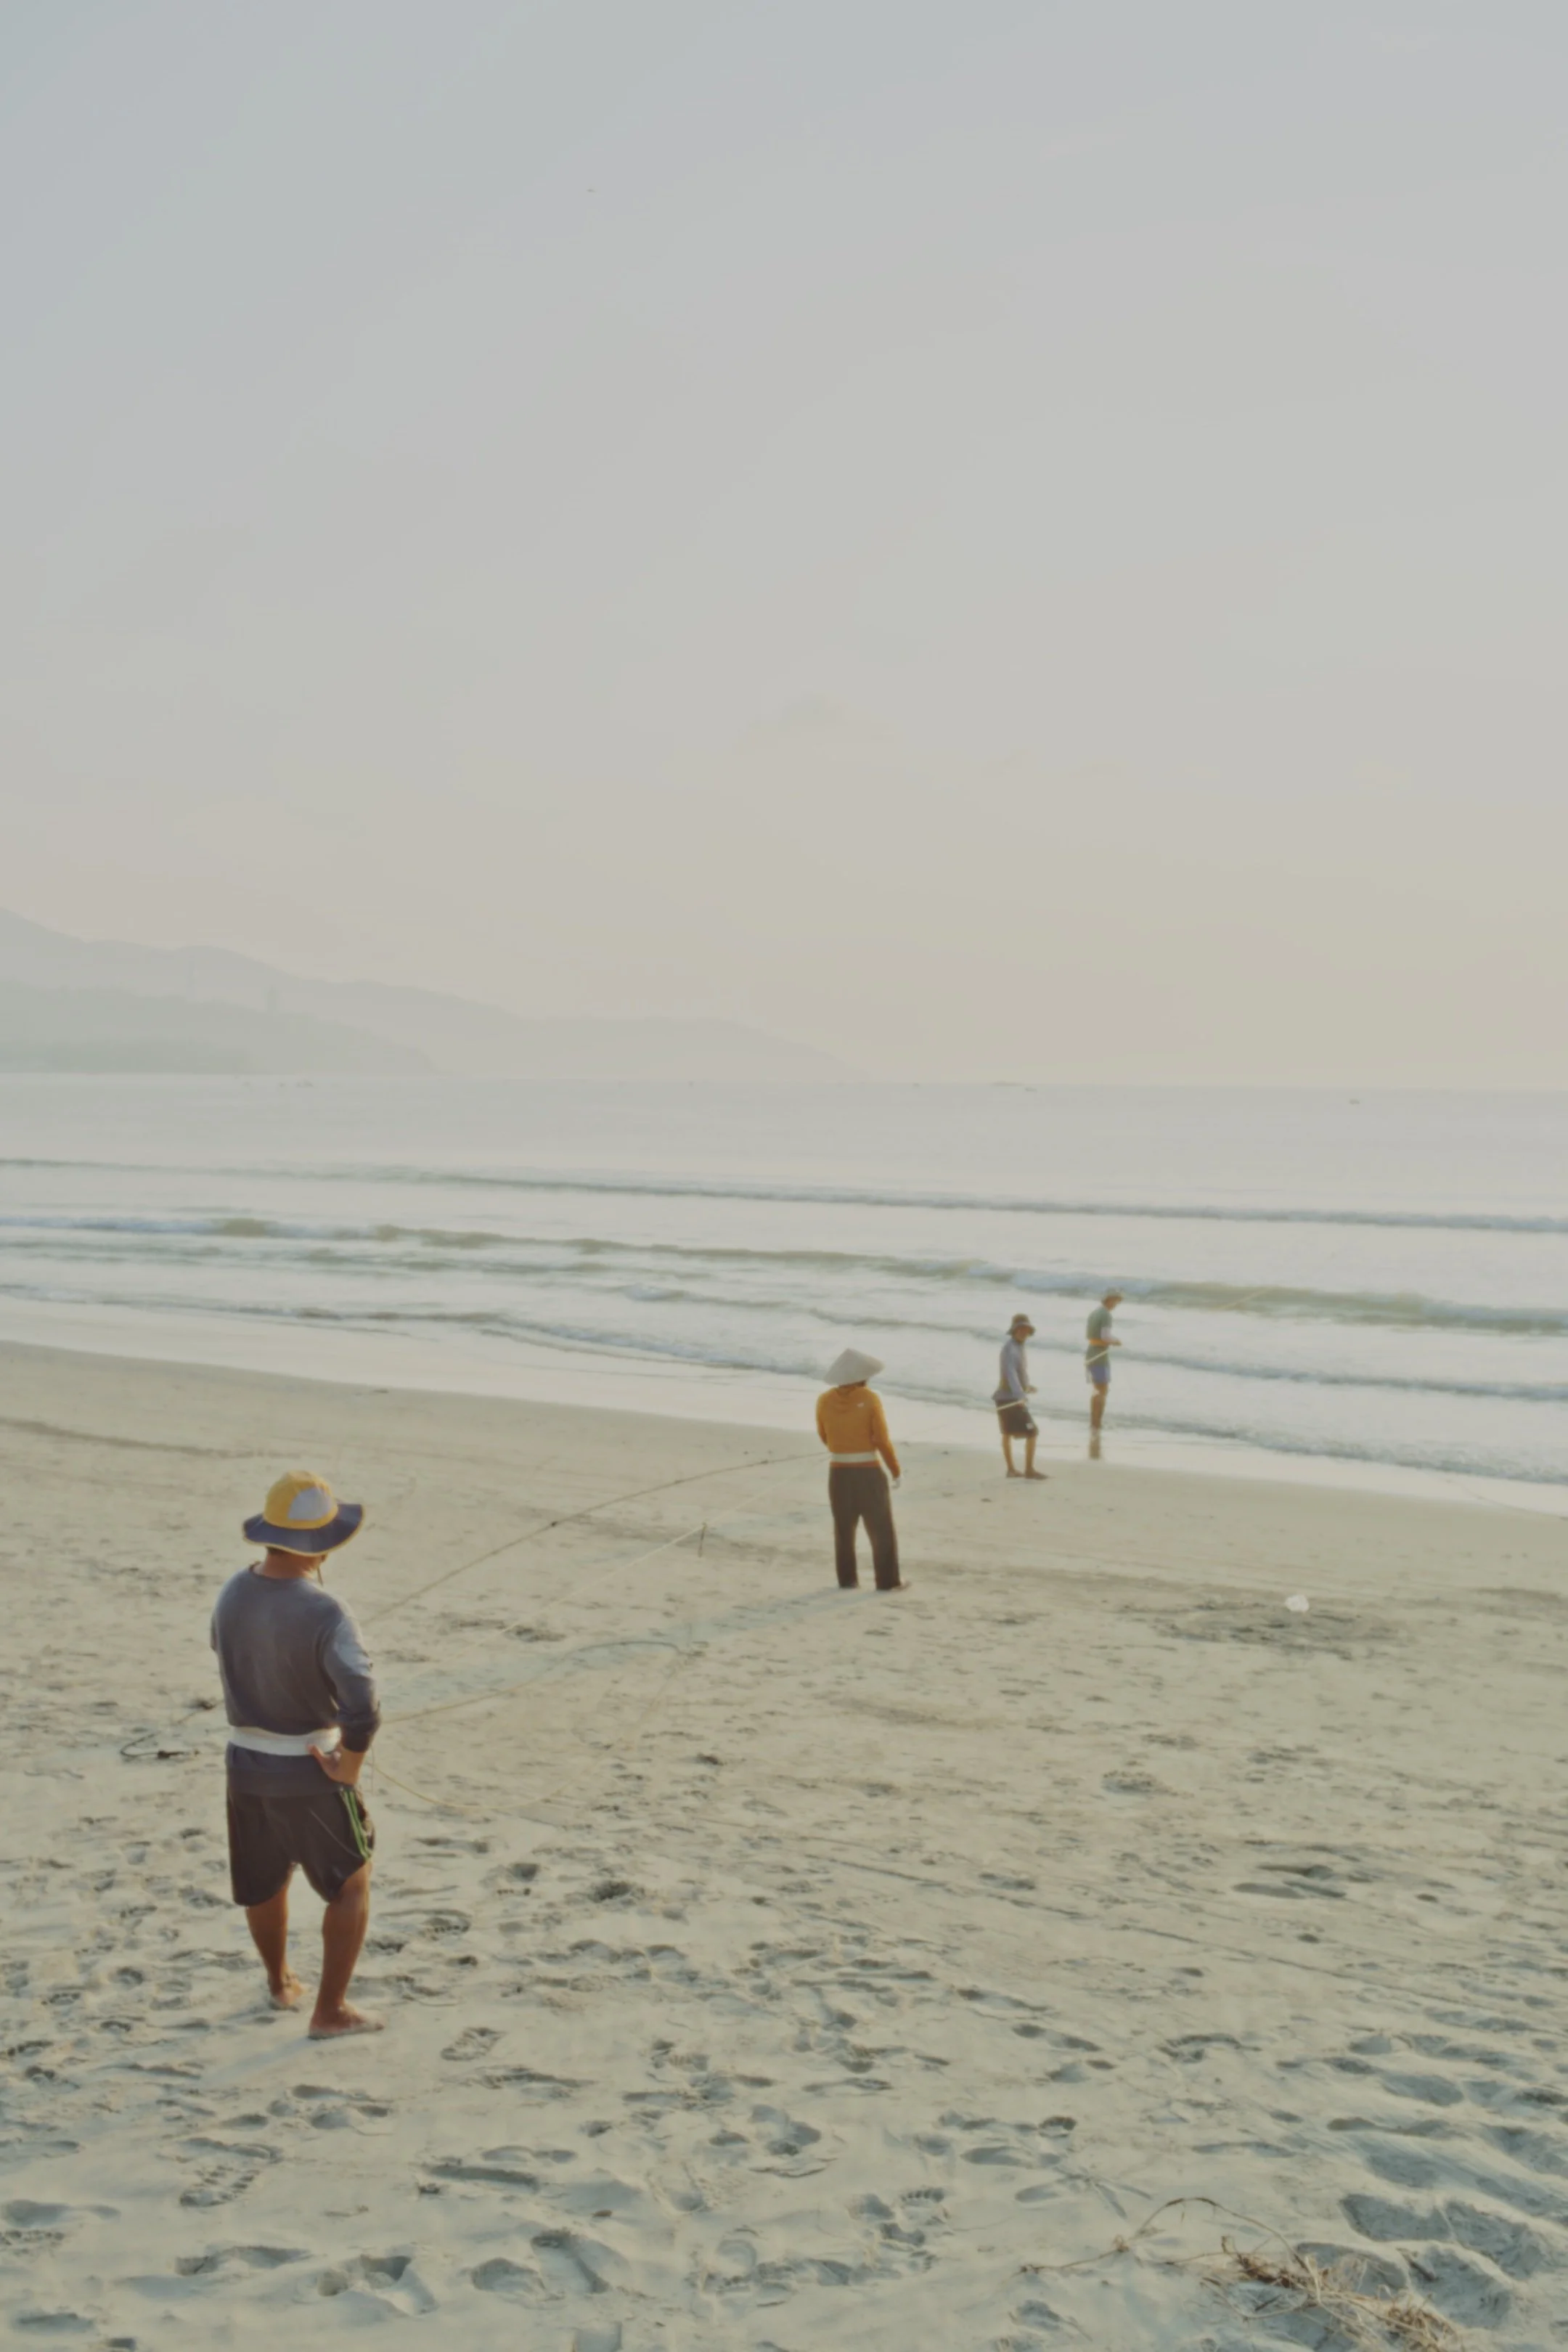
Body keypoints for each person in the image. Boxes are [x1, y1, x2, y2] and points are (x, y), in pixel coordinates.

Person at [211, 1471, 383, 2040]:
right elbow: (363, 1706)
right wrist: (349, 1766)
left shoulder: (232, 1591)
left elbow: (226, 1649)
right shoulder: (328, 1611)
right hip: (308, 1770)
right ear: (322, 1543)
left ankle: (280, 1982)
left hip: (244, 1765)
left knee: (264, 1881)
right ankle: (330, 2011)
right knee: (351, 1883)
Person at [815, 1349, 907, 1592]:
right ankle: (887, 1581)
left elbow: (824, 1436)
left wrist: (844, 1447)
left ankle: (847, 1580)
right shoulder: (870, 1398)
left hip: (838, 1472)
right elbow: (881, 1440)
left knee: (843, 1529)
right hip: (868, 1471)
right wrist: (895, 1470)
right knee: (881, 1528)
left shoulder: (824, 1400)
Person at [994, 1312, 1045, 1479]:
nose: (1023, 1332)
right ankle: (1027, 1470)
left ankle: (1012, 1470)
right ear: (1014, 1330)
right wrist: (1020, 1396)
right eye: (1020, 1329)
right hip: (1008, 1399)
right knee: (1032, 1432)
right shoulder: (1009, 1349)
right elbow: (1010, 1374)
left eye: (1026, 1330)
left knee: (1008, 1433)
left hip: (1008, 1397)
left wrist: (1027, 1387)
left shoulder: (1020, 1347)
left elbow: (1020, 1372)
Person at [1085, 1289, 1124, 1435]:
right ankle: (1096, 1424)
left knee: (1097, 1389)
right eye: (1115, 1301)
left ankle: (1094, 1423)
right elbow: (1106, 1336)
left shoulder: (1095, 1313)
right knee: (1102, 1390)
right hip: (1099, 1354)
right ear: (1109, 1300)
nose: (1116, 1305)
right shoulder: (1106, 1315)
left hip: (1091, 1352)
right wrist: (1116, 1341)